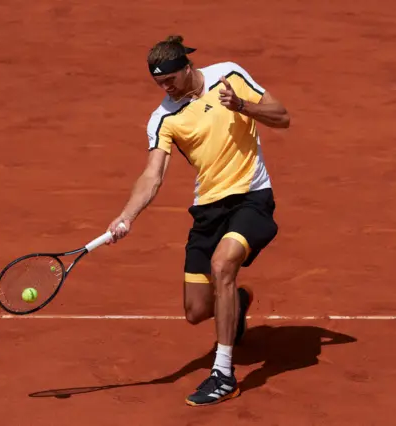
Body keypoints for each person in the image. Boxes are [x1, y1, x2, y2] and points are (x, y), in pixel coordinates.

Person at [106, 35, 290, 406]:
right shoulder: (164, 117)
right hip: (208, 210)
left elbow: (282, 117)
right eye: (159, 83)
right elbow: (152, 175)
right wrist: (126, 216)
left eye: (170, 79)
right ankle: (235, 302)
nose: (166, 88)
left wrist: (243, 106)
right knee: (196, 312)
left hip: (251, 199)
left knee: (223, 265)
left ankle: (223, 373)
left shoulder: (229, 75)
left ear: (188, 68)